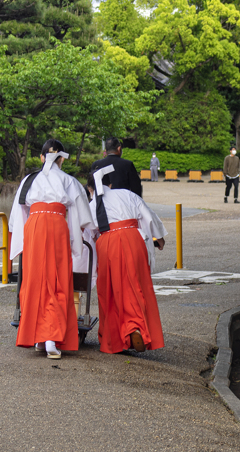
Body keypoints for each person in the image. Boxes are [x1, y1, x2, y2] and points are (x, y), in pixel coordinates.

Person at [9, 139, 95, 359]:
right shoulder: (68, 180)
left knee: (34, 280)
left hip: (35, 226)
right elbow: (83, 216)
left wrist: (20, 239)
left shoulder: (29, 180)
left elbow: (17, 215)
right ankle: (51, 339)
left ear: (41, 157)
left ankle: (38, 337)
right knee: (57, 280)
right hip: (57, 224)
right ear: (61, 160)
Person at [87, 165, 167, 354]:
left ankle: (117, 338)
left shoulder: (93, 204)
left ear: (91, 190)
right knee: (137, 284)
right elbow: (148, 216)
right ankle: (136, 325)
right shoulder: (127, 194)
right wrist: (160, 238)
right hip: (133, 239)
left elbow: (88, 232)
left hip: (108, 242)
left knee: (111, 290)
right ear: (111, 184)